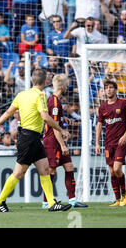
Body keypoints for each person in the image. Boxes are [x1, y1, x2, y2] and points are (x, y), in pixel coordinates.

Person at [0, 69, 72, 212]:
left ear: (31, 81)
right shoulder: (40, 95)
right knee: (18, 173)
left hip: (33, 138)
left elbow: (8, 112)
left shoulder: (22, 94)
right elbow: (45, 117)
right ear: (46, 82)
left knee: (45, 169)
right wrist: (62, 130)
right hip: (28, 138)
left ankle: (51, 203)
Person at [42, 74, 87, 209]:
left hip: (57, 140)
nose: (68, 87)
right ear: (63, 87)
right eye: (67, 84)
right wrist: (62, 145)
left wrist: (63, 119)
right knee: (52, 171)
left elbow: (55, 120)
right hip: (53, 141)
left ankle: (72, 200)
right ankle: (46, 202)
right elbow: (54, 126)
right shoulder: (54, 102)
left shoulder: (55, 100)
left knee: (69, 167)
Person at [95, 79, 126, 207]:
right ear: (104, 91)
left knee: (117, 168)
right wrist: (97, 143)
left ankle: (124, 195)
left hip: (121, 141)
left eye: (111, 87)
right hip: (108, 143)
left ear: (115, 89)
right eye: (106, 88)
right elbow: (99, 125)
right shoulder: (102, 107)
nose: (109, 90)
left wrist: (125, 135)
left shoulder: (124, 103)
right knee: (112, 172)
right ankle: (117, 199)